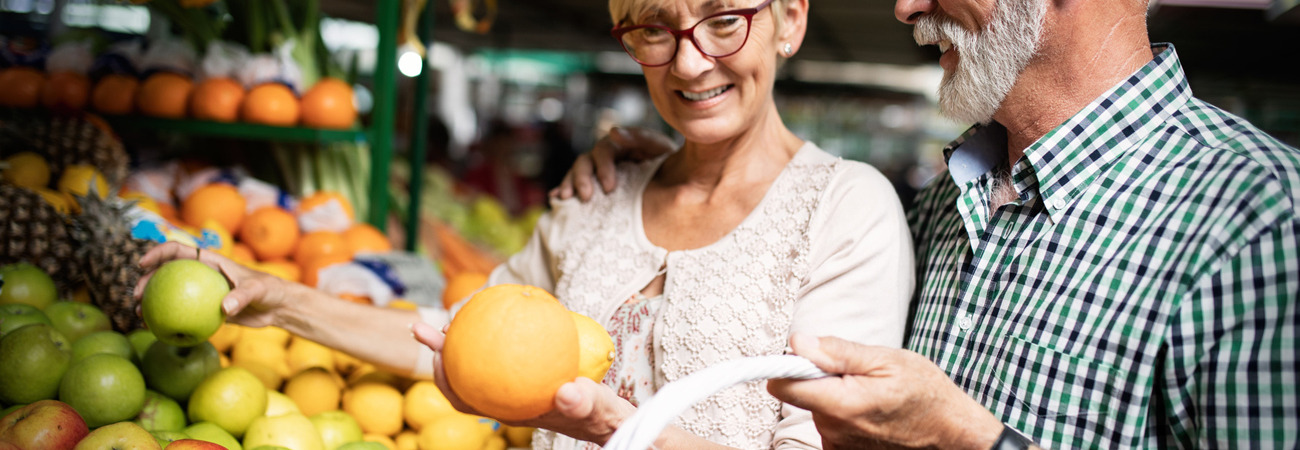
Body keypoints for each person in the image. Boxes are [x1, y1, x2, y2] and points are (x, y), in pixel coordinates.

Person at [135, 0, 915, 447]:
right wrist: (272, 299)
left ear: (790, 20)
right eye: (653, 26)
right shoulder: (599, 197)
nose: (688, 62)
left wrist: (617, 427)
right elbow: (453, 335)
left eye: (722, 20)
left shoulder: (847, 211)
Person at [554, 0, 1300, 447]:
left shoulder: (1258, 218)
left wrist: (971, 442)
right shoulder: (946, 205)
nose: (907, 6)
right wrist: (667, 169)